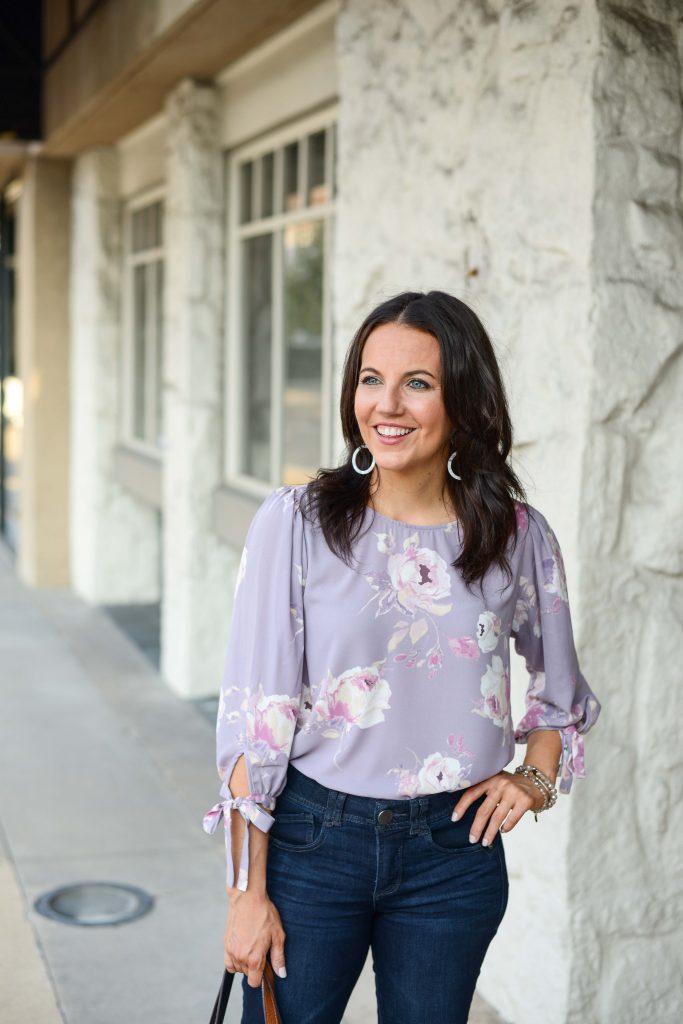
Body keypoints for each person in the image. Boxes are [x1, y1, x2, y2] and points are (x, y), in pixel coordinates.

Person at [202, 290, 602, 1024]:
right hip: (314, 845)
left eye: (417, 383)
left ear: (463, 402)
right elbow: (255, 723)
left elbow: (560, 697)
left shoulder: (515, 536)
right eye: (369, 378)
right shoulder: (296, 525)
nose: (386, 404)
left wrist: (534, 780)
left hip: (453, 857)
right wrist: (245, 895)